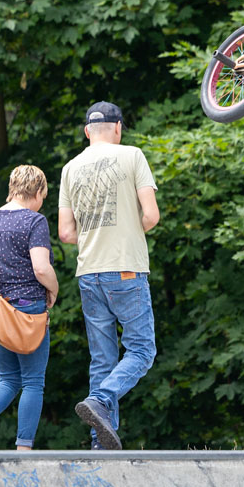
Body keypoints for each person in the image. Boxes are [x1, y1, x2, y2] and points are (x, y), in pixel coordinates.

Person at [58, 101, 160, 451]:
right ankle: (101, 399)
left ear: (88, 132)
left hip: (89, 271)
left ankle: (101, 443)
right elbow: (151, 215)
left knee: (103, 358)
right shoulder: (132, 156)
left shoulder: (70, 168)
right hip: (126, 267)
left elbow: (66, 233)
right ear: (118, 128)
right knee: (142, 350)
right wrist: (129, 232)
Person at [0, 164, 58, 451]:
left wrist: (0, 299)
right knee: (32, 381)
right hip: (27, 309)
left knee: (8, 378)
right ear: (39, 191)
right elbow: (41, 268)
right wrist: (53, 290)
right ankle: (24, 450)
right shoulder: (34, 221)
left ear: (12, 189)